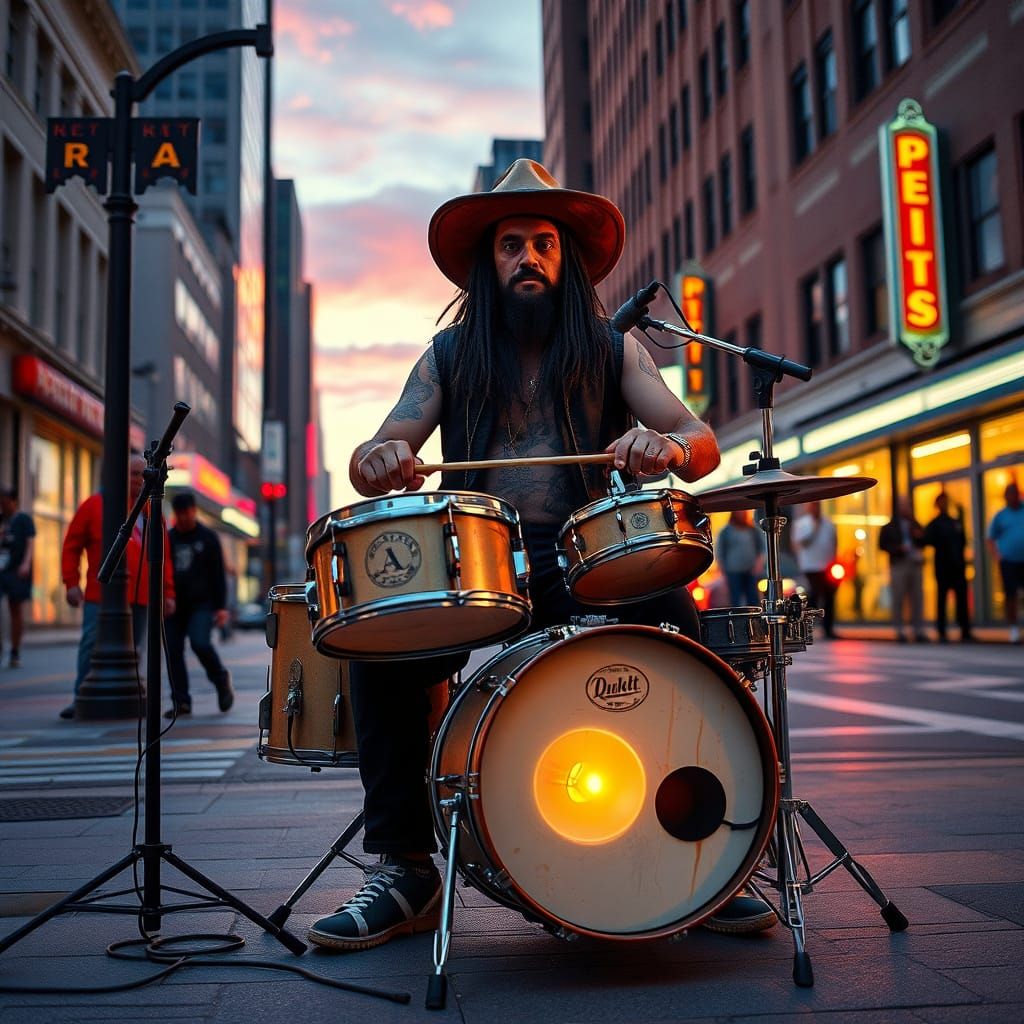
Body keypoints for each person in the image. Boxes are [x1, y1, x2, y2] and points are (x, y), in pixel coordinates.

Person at [307, 159, 776, 954]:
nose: (530, 258)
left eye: (546, 245)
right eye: (513, 245)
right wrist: (380, 457)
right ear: (489, 266)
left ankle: (707, 848)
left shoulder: (610, 349)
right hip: (477, 558)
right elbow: (380, 445)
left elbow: (701, 442)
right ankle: (406, 869)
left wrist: (663, 444)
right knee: (379, 655)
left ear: (569, 262)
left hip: (579, 554)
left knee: (673, 624)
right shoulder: (448, 356)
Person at [60, 455, 175, 719]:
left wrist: (168, 592)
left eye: (141, 474)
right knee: (91, 644)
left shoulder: (152, 510)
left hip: (142, 596)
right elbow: (72, 546)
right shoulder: (94, 505)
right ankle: (81, 699)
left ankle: (131, 697)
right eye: (133, 474)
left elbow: (164, 555)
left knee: (135, 649)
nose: (138, 480)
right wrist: (70, 583)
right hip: (101, 595)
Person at [164, 491, 234, 717]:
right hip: (173, 605)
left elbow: (218, 575)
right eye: (180, 514)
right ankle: (181, 701)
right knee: (173, 650)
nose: (184, 518)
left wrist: (221, 607)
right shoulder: (169, 538)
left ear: (194, 511)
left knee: (200, 643)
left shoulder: (208, 538)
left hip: (201, 604)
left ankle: (220, 679)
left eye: (187, 513)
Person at [923, 492, 974, 642]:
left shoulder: (955, 522)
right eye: (941, 502)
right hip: (943, 567)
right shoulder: (935, 524)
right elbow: (926, 540)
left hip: (957, 566)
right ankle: (942, 630)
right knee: (942, 599)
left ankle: (965, 630)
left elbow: (962, 541)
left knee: (962, 599)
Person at [879, 495, 928, 643]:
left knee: (917, 597)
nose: (905, 508)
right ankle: (899, 629)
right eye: (903, 505)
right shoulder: (890, 526)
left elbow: (924, 541)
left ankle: (918, 629)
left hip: (914, 562)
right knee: (899, 596)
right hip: (899, 563)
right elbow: (882, 545)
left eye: (907, 505)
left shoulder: (915, 524)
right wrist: (897, 549)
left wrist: (918, 535)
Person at [790, 500, 839, 638]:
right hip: (810, 566)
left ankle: (828, 628)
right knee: (813, 596)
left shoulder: (828, 524)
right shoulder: (802, 524)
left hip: (827, 565)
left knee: (829, 597)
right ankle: (805, 626)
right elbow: (799, 544)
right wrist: (814, 528)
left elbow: (834, 542)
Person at [0, 487, 36, 668]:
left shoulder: (23, 519)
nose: (3, 506)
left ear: (13, 501)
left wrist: (26, 564)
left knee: (15, 609)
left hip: (17, 570)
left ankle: (15, 650)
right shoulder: (2, 520)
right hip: (2, 569)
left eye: (5, 503)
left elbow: (30, 543)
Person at [987, 481, 1024, 644]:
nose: (1012, 497)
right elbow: (990, 538)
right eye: (1009, 494)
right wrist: (997, 555)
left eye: (1015, 494)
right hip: (1008, 561)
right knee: (1011, 595)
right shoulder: (1001, 516)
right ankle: (1013, 628)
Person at [715, 508, 764, 606]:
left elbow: (761, 549)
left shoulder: (753, 530)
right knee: (735, 599)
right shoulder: (726, 531)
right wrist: (722, 570)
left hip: (751, 570)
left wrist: (759, 564)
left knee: (753, 598)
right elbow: (720, 552)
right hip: (733, 571)